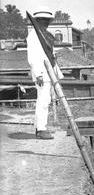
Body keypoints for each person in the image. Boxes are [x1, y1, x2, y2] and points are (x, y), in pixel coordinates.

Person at [26, 7, 63, 140]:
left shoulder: (43, 34)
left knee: (45, 100)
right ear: (38, 21)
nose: (46, 23)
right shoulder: (34, 36)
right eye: (43, 20)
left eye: (47, 20)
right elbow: (33, 57)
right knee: (43, 100)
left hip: (47, 72)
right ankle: (41, 129)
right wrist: (39, 73)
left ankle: (41, 127)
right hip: (41, 72)